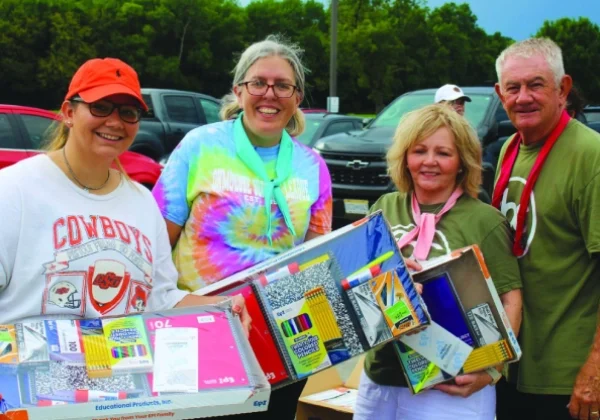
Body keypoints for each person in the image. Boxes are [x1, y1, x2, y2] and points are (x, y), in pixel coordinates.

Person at [152, 35, 332, 419]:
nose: (270, 94)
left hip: (278, 338)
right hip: (197, 328)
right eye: (258, 83)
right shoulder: (199, 146)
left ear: (297, 96)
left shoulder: (312, 166)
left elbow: (318, 259)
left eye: (283, 85)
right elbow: (155, 249)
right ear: (238, 90)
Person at [0, 57, 250, 327]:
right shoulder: (14, 190)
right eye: (101, 108)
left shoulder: (142, 201)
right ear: (69, 113)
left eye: (128, 112)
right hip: (27, 364)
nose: (115, 122)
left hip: (121, 363)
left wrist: (223, 306)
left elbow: (160, 299)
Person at [354, 104, 523, 420]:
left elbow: (511, 300)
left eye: (443, 153)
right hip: (380, 376)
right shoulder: (384, 207)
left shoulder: (485, 220)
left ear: (462, 162)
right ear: (405, 157)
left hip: (452, 386)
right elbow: (359, 283)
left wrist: (492, 370)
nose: (429, 161)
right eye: (419, 150)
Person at [492, 38, 600, 420]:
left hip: (566, 378)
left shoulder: (591, 155)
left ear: (563, 89)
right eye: (513, 87)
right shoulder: (509, 149)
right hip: (513, 365)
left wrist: (594, 370)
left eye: (536, 84)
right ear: (499, 93)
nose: (523, 97)